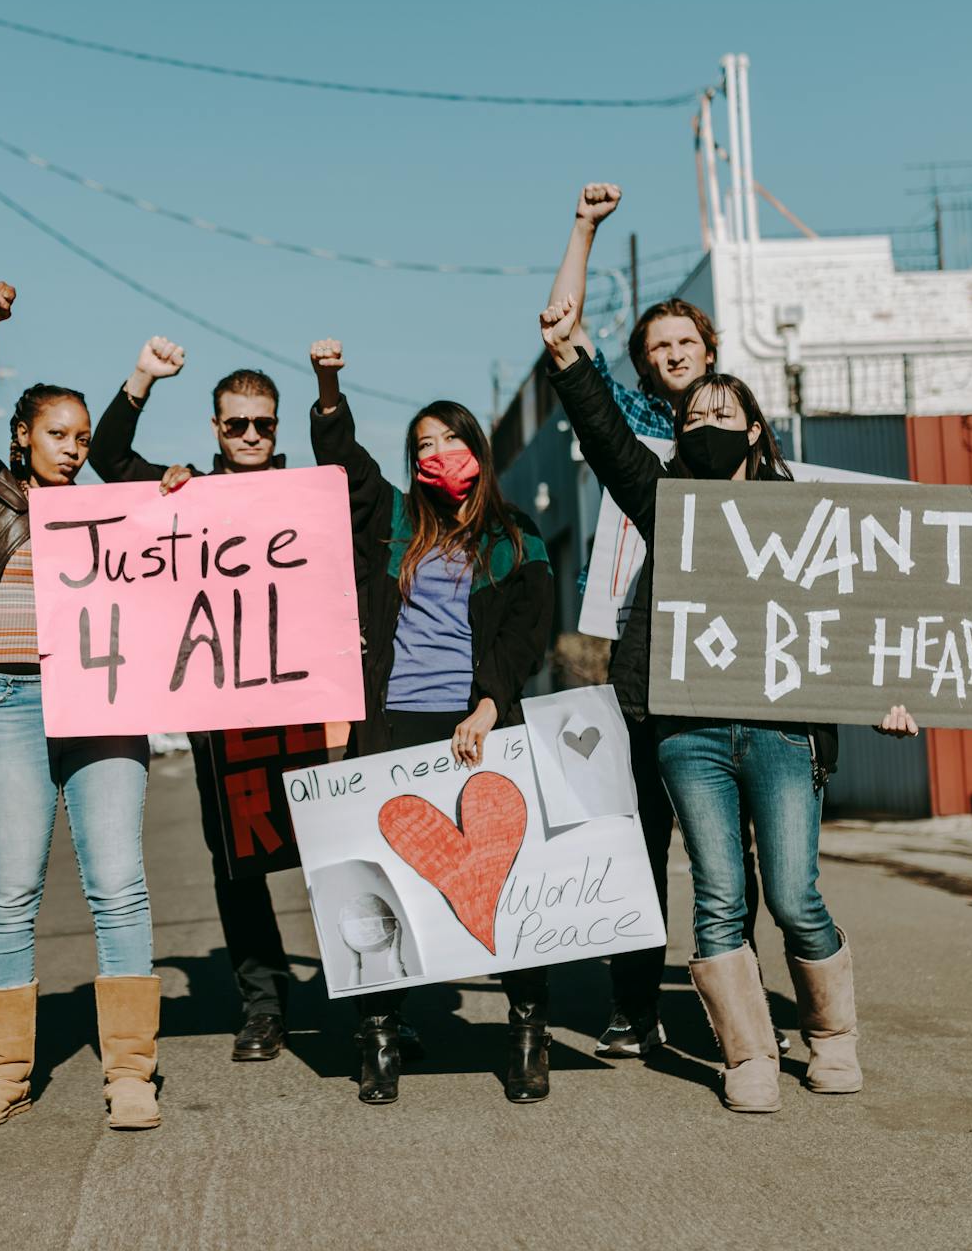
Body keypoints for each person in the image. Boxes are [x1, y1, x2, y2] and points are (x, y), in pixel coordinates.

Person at [540, 189, 919, 1113]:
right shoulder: (659, 495)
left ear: (752, 426)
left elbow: (862, 615)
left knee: (793, 896)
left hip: (786, 731)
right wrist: (582, 231)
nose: (701, 414)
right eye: (690, 411)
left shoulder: (806, 515)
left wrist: (887, 693)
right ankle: (746, 1056)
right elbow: (572, 363)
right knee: (715, 898)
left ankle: (831, 1035)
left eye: (720, 405)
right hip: (689, 732)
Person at [545, 186, 768, 1060]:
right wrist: (584, 230)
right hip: (643, 649)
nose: (675, 354)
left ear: (711, 350)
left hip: (734, 657)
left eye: (687, 341)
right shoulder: (637, 426)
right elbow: (567, 340)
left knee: (731, 842)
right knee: (641, 835)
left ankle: (733, 1002)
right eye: (659, 347)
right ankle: (634, 1005)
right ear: (646, 367)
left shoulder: (751, 431)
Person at [307, 336, 557, 1106]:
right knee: (382, 884)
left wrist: (488, 702)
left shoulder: (515, 536)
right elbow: (342, 461)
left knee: (508, 885)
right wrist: (328, 384)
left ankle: (525, 1028)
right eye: (424, 443)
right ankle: (379, 1033)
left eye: (451, 438)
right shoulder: (391, 525)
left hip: (479, 724)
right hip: (394, 726)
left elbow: (528, 629)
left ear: (477, 447)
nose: (439, 452)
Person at [0, 282, 162, 1131]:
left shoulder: (115, 508)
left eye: (82, 439)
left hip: (103, 703)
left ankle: (131, 1071)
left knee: (118, 884)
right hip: (6, 703)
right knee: (8, 891)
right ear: (23, 437)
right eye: (56, 435)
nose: (72, 450)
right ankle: (5, 1072)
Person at [86, 335, 298, 1064]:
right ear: (214, 428)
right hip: (222, 715)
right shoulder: (186, 494)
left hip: (306, 705)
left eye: (261, 424)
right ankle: (263, 1003)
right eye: (235, 424)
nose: (248, 436)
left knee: (335, 851)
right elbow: (107, 458)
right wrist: (143, 375)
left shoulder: (310, 495)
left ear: (278, 428)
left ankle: (372, 1001)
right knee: (238, 864)